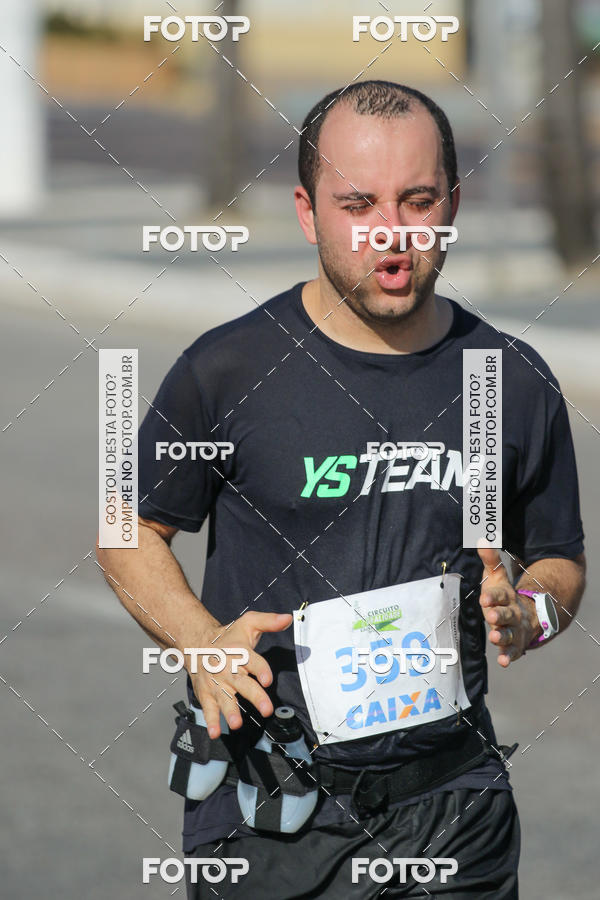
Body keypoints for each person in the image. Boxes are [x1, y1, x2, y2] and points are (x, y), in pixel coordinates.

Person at [96, 81, 586, 898]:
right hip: (271, 813)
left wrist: (529, 612)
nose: (391, 233)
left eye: (418, 200)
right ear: (306, 211)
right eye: (359, 203)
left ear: (454, 204)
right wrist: (200, 640)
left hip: (454, 810)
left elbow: (559, 562)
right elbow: (126, 527)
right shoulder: (228, 371)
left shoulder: (511, 379)